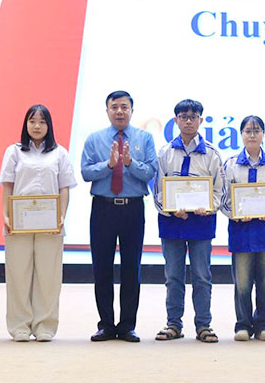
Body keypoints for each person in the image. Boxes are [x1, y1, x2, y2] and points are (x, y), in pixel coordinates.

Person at [81, 91, 157, 342]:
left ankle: (127, 326)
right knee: (101, 267)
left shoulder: (144, 138)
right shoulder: (94, 139)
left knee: (131, 268)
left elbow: (150, 172)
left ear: (132, 110)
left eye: (124, 107)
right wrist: (109, 165)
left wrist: (129, 162)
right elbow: (85, 172)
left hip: (132, 208)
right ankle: (105, 324)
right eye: (115, 107)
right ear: (107, 111)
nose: (120, 111)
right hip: (103, 208)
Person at [0, 104, 76, 342]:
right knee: (18, 274)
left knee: (48, 276)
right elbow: (8, 186)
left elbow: (65, 188)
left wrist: (61, 216)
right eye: (32, 121)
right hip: (19, 223)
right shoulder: (14, 152)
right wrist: (6, 215)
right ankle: (20, 326)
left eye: (42, 122)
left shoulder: (60, 153)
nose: (36, 126)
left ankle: (45, 325)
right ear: (26, 124)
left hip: (50, 224)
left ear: (49, 126)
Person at [153, 99, 224, 344]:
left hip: (202, 223)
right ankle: (174, 324)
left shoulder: (212, 154)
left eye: (194, 117)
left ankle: (204, 325)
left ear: (201, 120)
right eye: (183, 116)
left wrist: (210, 207)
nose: (189, 121)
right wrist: (171, 210)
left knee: (202, 276)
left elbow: (219, 191)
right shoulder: (164, 153)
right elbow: (158, 190)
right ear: (175, 120)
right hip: (172, 223)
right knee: (173, 276)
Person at [220, 115, 265, 342]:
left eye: (257, 130)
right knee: (242, 281)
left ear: (263, 135)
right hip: (241, 231)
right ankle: (242, 324)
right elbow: (223, 199)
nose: (252, 135)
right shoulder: (230, 165)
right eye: (248, 131)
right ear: (241, 135)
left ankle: (263, 325)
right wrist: (235, 214)